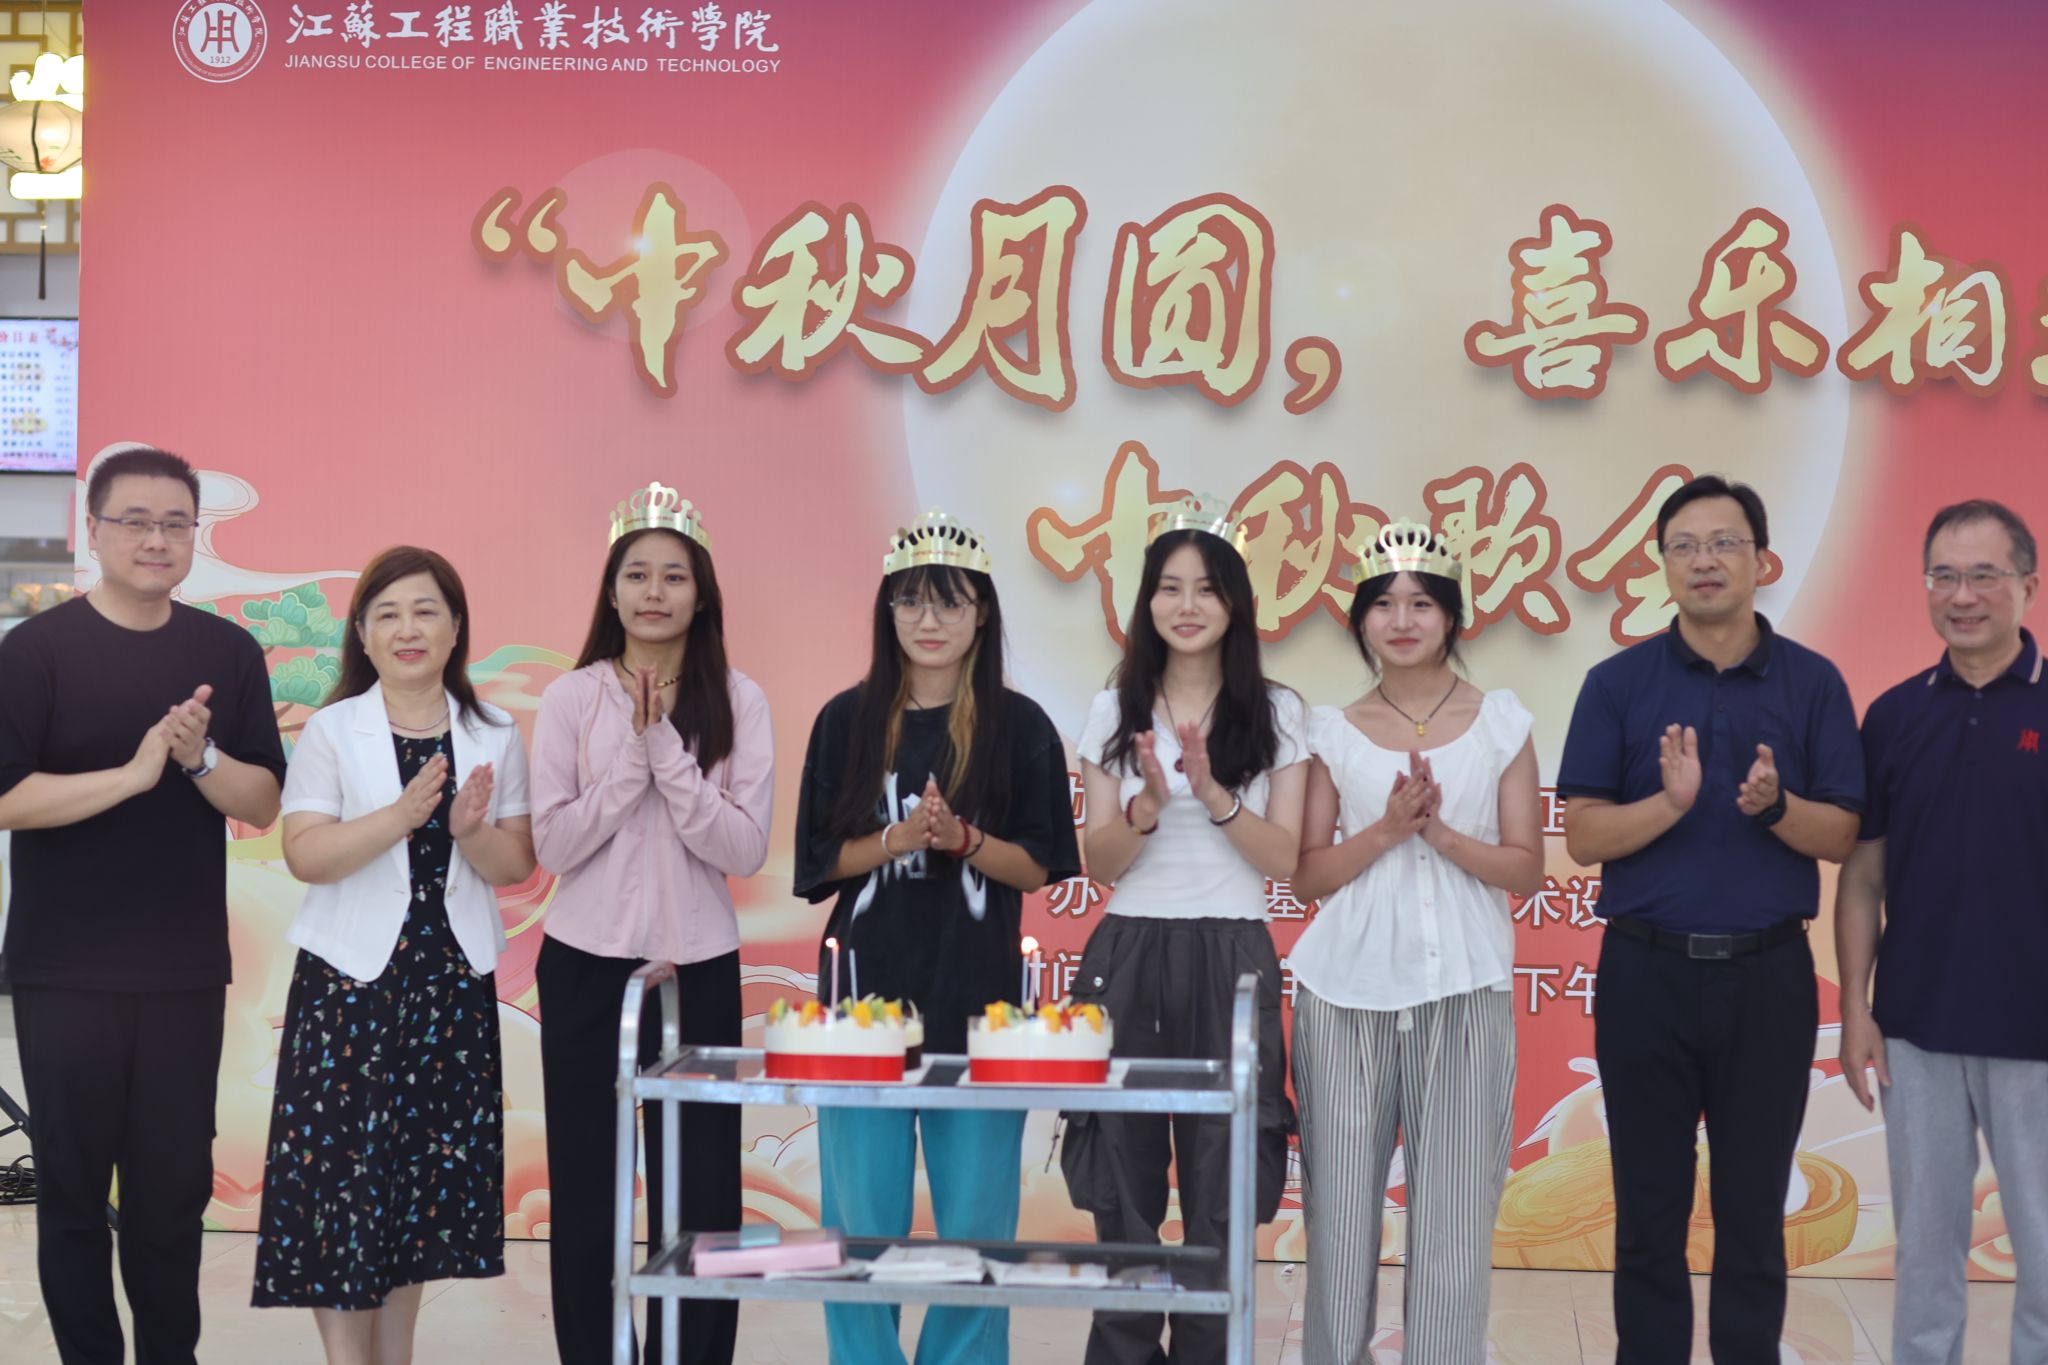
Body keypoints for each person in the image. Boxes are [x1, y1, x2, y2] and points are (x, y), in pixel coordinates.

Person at [1557, 474, 1863, 1362]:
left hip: (1768, 977)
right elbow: (1582, 835)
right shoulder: (1617, 683)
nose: (1705, 560)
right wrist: (1670, 804)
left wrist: (1775, 807)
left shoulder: (1812, 682)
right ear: (1662, 564)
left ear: (1762, 560)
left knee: (1754, 1211)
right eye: (1685, 545)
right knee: (1648, 1209)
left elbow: (1842, 833)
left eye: (1725, 542)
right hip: (1645, 974)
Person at [0, 444, 286, 1365]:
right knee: (73, 1197)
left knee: (169, 1197)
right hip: (63, 968)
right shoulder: (34, 651)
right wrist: (131, 775)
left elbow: (262, 802)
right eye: (135, 521)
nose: (156, 538)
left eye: (175, 523)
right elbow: (6, 797)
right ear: (94, 531)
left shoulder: (226, 652)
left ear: (194, 534)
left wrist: (199, 759)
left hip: (181, 969)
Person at [793, 510, 1079, 1365]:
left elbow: (1039, 865)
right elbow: (818, 862)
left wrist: (962, 839)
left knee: (978, 1237)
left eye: (951, 602)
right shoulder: (846, 720)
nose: (930, 620)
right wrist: (897, 839)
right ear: (886, 610)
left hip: (982, 1007)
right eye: (911, 601)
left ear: (981, 613)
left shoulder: (1020, 725)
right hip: (863, 1010)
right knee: (858, 1233)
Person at [252, 545, 536, 1365]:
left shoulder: (494, 731)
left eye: (425, 611)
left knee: (413, 1191)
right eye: (387, 614)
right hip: (347, 986)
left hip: (448, 986)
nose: (407, 629)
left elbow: (515, 865)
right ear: (363, 635)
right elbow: (306, 854)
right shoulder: (333, 728)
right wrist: (402, 816)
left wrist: (468, 831)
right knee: (338, 1185)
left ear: (456, 627)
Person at [531, 483, 773, 1365]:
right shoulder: (572, 698)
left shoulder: (739, 699)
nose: (654, 592)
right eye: (636, 574)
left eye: (674, 575)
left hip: (698, 965)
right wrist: (637, 753)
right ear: (611, 589)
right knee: (588, 1184)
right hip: (584, 962)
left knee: (702, 1189)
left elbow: (742, 846)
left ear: (701, 593)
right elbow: (556, 842)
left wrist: (665, 748)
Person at [1289, 521, 1541, 1365]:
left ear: (1453, 616)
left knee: (1456, 1214)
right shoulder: (1332, 728)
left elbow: (1525, 868)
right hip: (1343, 990)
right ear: (1360, 619)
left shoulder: (1500, 720)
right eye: (1384, 604)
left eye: (1422, 604)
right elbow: (1309, 876)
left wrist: (1439, 835)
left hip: (1466, 987)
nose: (1402, 620)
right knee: (1340, 1210)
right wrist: (1389, 830)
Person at [1070, 496, 1305, 1365]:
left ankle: (1211, 1348)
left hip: (1234, 952)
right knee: (1120, 1176)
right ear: (1146, 602)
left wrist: (1212, 797)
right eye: (1169, 588)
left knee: (1225, 1176)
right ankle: (1124, 1350)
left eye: (1206, 588)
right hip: (1129, 947)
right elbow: (1099, 861)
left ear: (1235, 602)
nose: (1187, 605)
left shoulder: (1277, 710)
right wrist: (1143, 809)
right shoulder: (1115, 708)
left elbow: (1284, 857)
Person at [1836, 499, 2048, 1365]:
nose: (1963, 595)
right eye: (1945, 576)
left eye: (1985, 575)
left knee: (2045, 1254)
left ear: (2028, 585)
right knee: (1924, 1252)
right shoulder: (1893, 716)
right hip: (1915, 1027)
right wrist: (1856, 1007)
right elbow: (1863, 874)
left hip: (2036, 1031)